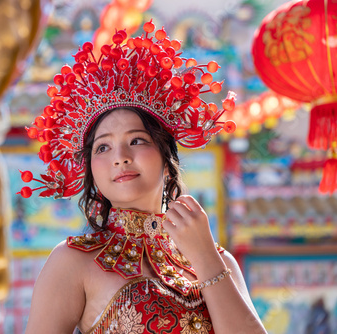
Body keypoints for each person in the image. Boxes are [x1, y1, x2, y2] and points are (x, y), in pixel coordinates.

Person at [18, 19, 267, 334]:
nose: (121, 157)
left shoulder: (217, 259)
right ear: (91, 172)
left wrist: (205, 257)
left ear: (166, 159)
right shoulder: (72, 262)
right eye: (103, 147)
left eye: (137, 140)